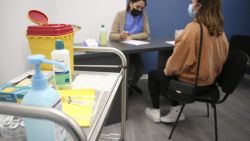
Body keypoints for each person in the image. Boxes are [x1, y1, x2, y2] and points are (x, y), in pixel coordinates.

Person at [145, 0, 229, 123]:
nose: (190, 6)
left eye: (192, 2)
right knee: (173, 73)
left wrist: (167, 70)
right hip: (210, 85)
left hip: (189, 88)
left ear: (199, 6)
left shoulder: (194, 28)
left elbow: (173, 67)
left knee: (154, 75)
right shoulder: (220, 32)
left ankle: (155, 111)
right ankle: (175, 110)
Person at [109, 0, 150, 95]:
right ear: (131, 3)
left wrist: (131, 37)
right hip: (122, 49)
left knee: (140, 68)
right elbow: (112, 35)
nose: (140, 10)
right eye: (137, 6)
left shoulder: (143, 16)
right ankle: (122, 89)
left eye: (142, 8)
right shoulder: (120, 15)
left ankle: (132, 84)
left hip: (135, 49)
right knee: (126, 68)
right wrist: (120, 36)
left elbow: (147, 34)